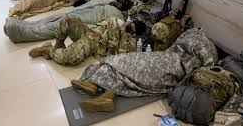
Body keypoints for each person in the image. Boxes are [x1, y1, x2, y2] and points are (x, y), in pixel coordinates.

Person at [70, 28, 218, 112]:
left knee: (124, 64)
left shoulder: (203, 44)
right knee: (126, 63)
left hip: (173, 65)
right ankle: (105, 94)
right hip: (167, 58)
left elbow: (205, 70)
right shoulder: (197, 38)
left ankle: (96, 86)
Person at [29, 16, 138, 65]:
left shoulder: (128, 42)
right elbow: (109, 21)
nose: (127, 27)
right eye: (130, 25)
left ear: (133, 34)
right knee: (66, 20)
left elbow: (117, 56)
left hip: (91, 43)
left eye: (132, 29)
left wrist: (124, 36)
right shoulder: (116, 21)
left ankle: (48, 50)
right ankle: (59, 44)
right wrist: (120, 26)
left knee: (69, 57)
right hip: (87, 30)